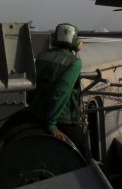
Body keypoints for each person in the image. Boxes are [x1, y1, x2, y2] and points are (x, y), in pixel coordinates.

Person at [28, 23, 89, 157]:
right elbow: (60, 93)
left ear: (54, 38)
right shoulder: (74, 63)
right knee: (84, 150)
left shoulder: (42, 56)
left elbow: (32, 86)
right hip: (61, 117)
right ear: (76, 43)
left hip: (36, 111)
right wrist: (51, 124)